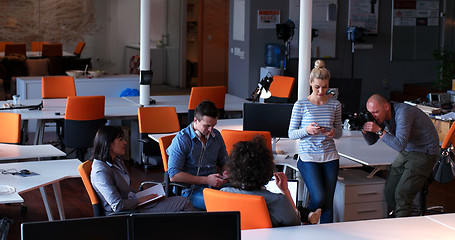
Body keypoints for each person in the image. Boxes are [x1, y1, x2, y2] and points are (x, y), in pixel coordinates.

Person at [362, 94, 439, 217]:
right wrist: (365, 131)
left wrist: (379, 130)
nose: (374, 116)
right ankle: (398, 215)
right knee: (389, 191)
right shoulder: (382, 115)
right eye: (371, 113)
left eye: (375, 112)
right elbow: (371, 141)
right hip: (408, 150)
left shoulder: (403, 113)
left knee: (402, 194)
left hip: (425, 151)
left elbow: (399, 145)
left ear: (386, 106)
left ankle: (401, 229)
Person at [90, 125, 194, 214]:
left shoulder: (116, 159)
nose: (125, 142)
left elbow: (126, 191)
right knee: (185, 202)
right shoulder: (101, 171)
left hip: (134, 202)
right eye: (120, 139)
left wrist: (144, 197)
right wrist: (140, 200)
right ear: (109, 144)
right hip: (127, 212)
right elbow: (117, 205)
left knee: (174, 201)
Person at [222, 136, 321, 227]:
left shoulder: (224, 193)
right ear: (267, 169)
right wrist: (285, 191)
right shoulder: (278, 201)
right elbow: (295, 224)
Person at [288, 59, 342, 223]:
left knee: (328, 203)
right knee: (319, 198)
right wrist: (307, 131)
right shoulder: (301, 104)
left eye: (324, 87)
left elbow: (339, 132)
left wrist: (334, 132)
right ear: (310, 82)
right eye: (317, 86)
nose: (321, 90)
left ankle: (327, 235)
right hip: (308, 157)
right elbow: (291, 133)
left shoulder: (335, 104)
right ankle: (304, 217)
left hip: (330, 156)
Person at [167, 100, 228, 210]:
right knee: (223, 204)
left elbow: (224, 162)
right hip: (191, 190)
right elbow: (174, 175)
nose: (211, 130)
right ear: (195, 120)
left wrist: (225, 173)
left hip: (215, 187)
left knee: (243, 198)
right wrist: (206, 180)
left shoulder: (216, 136)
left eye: (213, 126)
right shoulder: (181, 140)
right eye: (207, 126)